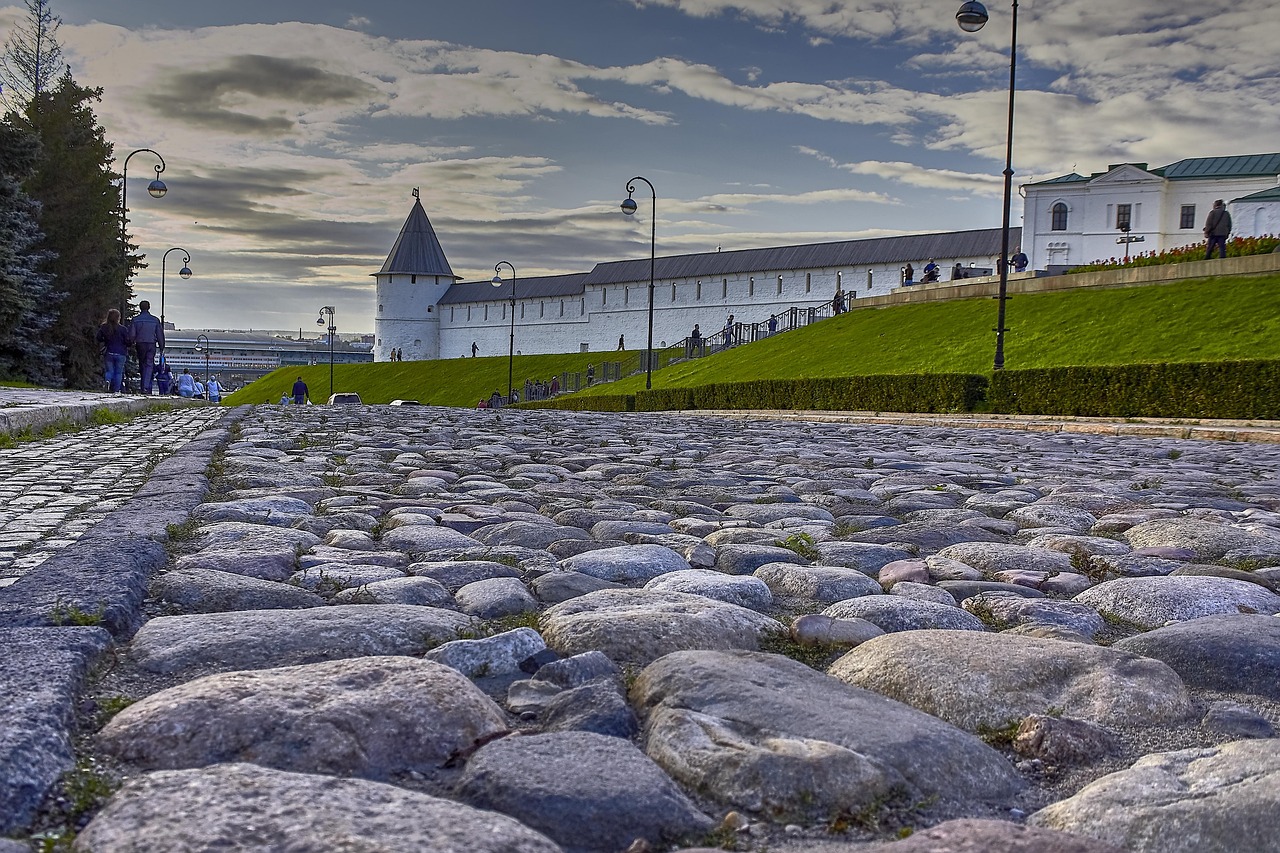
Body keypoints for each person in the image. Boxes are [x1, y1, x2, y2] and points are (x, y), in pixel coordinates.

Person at [129, 300, 165, 395]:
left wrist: (131, 342)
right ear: (149, 307)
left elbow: (132, 334)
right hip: (151, 344)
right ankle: (146, 387)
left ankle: (144, 386)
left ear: (140, 308)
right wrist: (161, 346)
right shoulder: (155, 320)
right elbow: (160, 334)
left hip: (140, 344)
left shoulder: (135, 319)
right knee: (149, 364)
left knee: (142, 364)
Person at [96, 309, 131, 394]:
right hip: (120, 353)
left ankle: (108, 381)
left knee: (109, 371)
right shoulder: (123, 329)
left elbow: (98, 338)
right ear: (118, 318)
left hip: (109, 352)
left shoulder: (104, 327)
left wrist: (105, 340)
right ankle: (117, 389)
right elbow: (128, 341)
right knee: (118, 372)